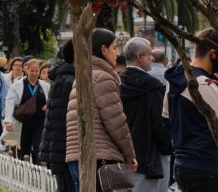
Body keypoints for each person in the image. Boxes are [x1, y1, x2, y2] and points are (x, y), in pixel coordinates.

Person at [164, 28, 218, 192]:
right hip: (205, 165)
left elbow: (166, 118)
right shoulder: (202, 82)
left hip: (184, 162)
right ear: (214, 54)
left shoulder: (178, 76)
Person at [66, 29, 137, 190]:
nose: (117, 53)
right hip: (98, 159)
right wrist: (130, 155)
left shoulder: (84, 75)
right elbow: (116, 123)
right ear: (103, 49)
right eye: (114, 47)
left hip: (77, 157)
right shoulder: (103, 77)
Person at [120, 37, 171, 192]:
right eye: (149, 54)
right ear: (139, 57)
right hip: (149, 156)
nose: (153, 58)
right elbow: (159, 124)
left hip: (121, 155)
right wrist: (168, 148)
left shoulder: (117, 83)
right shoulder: (153, 87)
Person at [40, 41, 76, 192]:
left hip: (62, 149)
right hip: (63, 150)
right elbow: (59, 120)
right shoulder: (67, 80)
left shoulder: (64, 78)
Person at [5, 58, 48, 163]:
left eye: (36, 71)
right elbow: (10, 102)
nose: (34, 73)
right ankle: (23, 172)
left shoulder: (45, 86)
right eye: (32, 71)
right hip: (23, 122)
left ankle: (38, 171)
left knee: (38, 148)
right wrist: (8, 120)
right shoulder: (17, 85)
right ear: (26, 70)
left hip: (40, 122)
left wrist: (48, 105)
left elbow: (52, 99)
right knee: (24, 149)